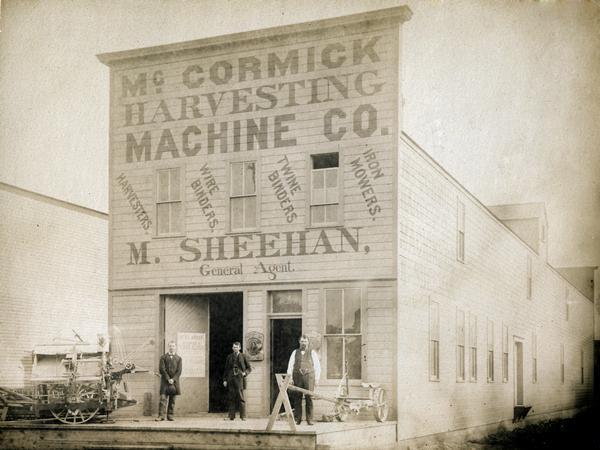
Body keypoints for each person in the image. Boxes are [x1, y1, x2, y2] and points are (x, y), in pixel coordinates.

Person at [286, 334, 321, 425]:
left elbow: (317, 367)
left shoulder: (312, 352)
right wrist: (290, 378)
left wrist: (317, 379)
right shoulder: (295, 352)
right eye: (302, 341)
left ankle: (309, 420)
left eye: (305, 341)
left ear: (308, 342)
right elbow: (290, 365)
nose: (303, 343)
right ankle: (298, 419)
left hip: (309, 377)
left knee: (309, 398)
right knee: (297, 398)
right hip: (297, 377)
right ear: (299, 342)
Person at [223, 341, 252, 420]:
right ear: (232, 348)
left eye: (236, 347)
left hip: (239, 379)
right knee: (231, 397)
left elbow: (249, 368)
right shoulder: (229, 357)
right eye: (233, 347)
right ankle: (231, 416)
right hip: (231, 379)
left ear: (239, 348)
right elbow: (226, 369)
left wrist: (244, 373)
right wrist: (225, 380)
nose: (235, 348)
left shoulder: (243, 356)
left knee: (241, 398)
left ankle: (243, 416)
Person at [156, 341, 182, 421]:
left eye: (173, 346)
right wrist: (168, 379)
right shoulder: (163, 357)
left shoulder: (179, 358)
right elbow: (162, 369)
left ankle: (170, 416)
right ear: (168, 347)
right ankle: (161, 416)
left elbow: (179, 371)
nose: (172, 347)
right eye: (170, 346)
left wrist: (173, 379)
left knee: (172, 400)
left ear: (175, 347)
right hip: (165, 381)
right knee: (162, 399)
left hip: (174, 382)